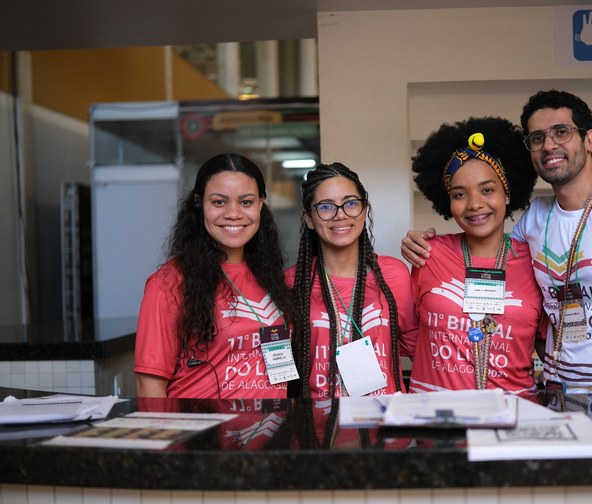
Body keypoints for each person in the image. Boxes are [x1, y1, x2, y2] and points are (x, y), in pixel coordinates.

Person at [403, 90, 592, 392]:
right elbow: (492, 253)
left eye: (562, 132)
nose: (549, 145)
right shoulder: (533, 221)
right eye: (537, 138)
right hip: (561, 395)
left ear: (590, 140)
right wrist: (421, 242)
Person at [135, 153, 295, 399]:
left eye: (246, 202)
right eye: (219, 202)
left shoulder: (271, 277)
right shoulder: (168, 283)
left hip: (270, 431)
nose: (233, 213)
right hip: (201, 431)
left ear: (261, 203)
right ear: (200, 203)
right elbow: (149, 386)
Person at [408, 116, 543, 394]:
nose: (475, 204)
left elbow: (547, 345)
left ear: (507, 193)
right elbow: (407, 337)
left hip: (516, 418)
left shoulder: (534, 261)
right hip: (437, 423)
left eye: (487, 190)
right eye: (459, 194)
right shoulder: (427, 254)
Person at [286, 162, 418, 400]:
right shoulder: (292, 282)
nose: (341, 215)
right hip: (318, 424)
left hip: (385, 422)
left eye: (351, 203)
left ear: (364, 209)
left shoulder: (393, 274)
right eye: (326, 207)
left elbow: (420, 350)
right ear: (308, 219)